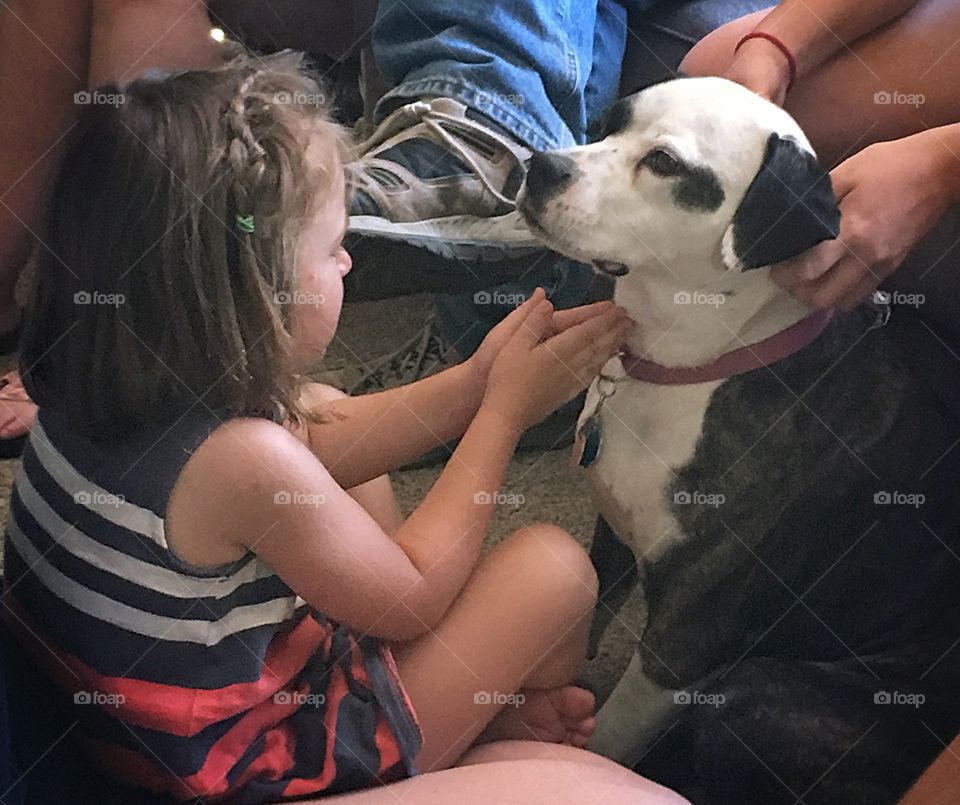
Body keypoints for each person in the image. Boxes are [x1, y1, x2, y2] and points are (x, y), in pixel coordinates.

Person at [0, 53, 697, 805]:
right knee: (556, 575)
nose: (348, 260)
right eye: (330, 249)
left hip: (166, 730)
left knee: (323, 409)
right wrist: (503, 414)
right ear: (250, 297)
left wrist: (472, 383)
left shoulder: (105, 380)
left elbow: (315, 444)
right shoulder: (237, 461)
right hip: (251, 771)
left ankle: (469, 725)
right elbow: (415, 597)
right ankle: (453, 736)